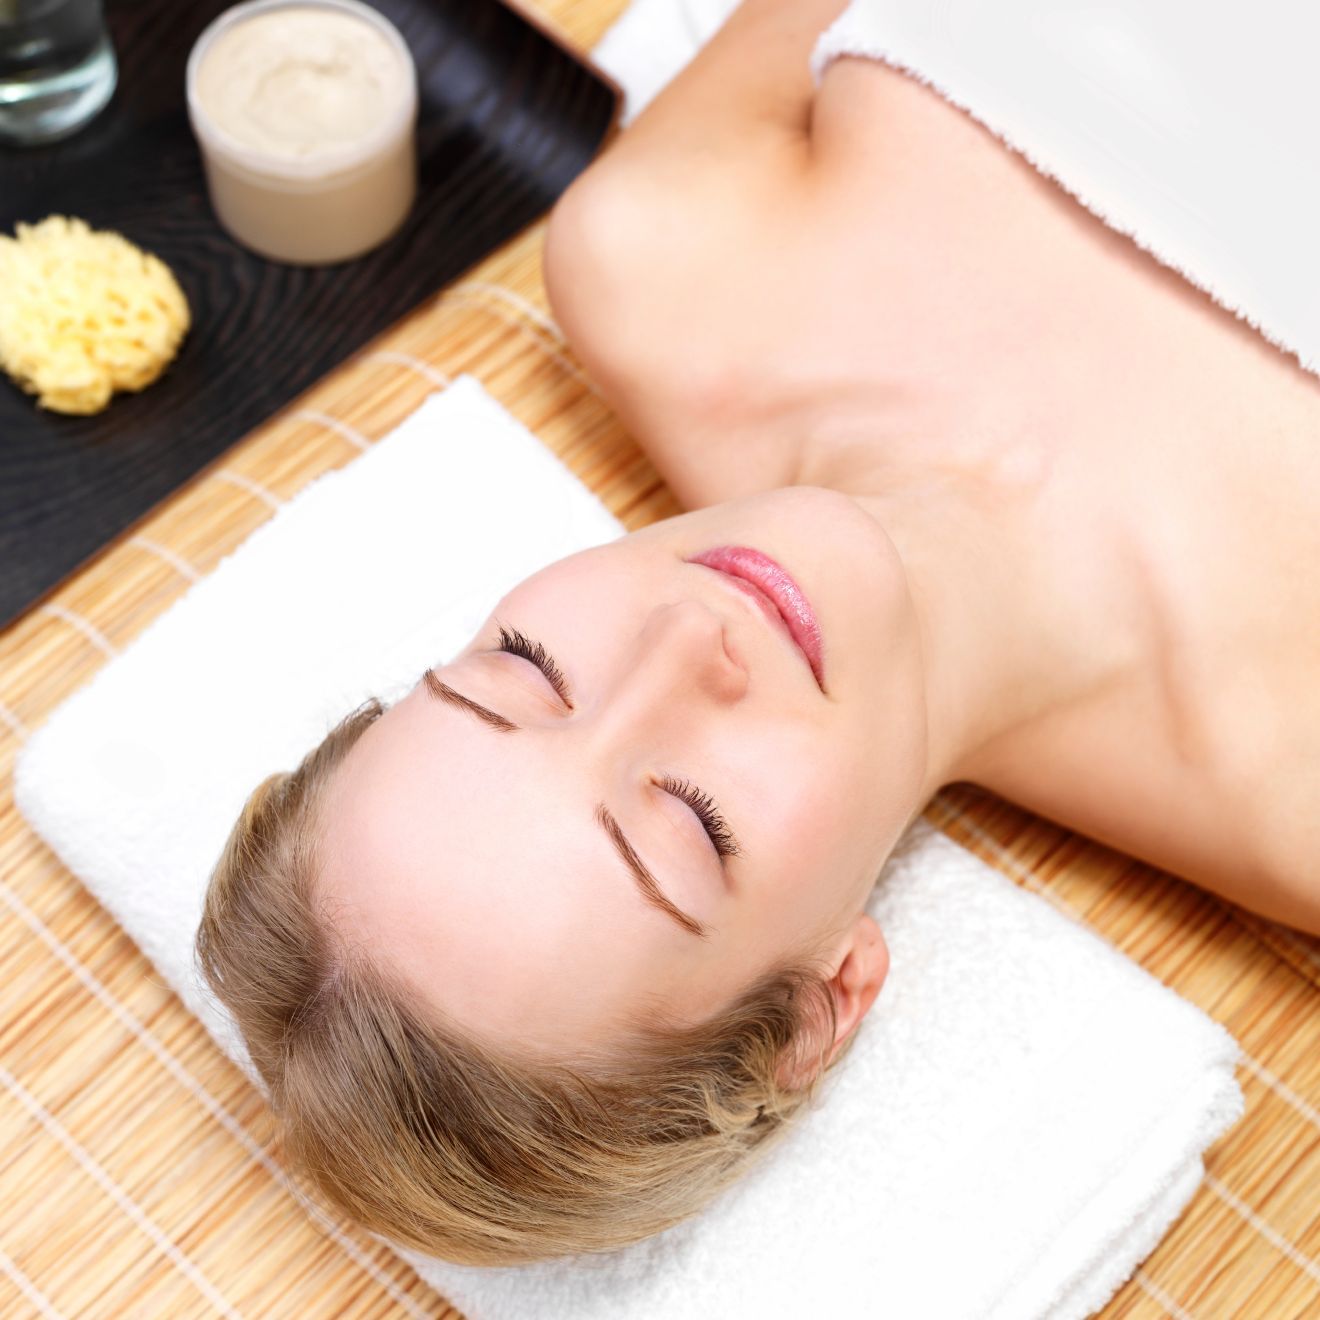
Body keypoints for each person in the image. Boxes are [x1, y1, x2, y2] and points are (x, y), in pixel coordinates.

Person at [195, 0, 1320, 1270]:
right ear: (822, 1005)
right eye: (692, 820)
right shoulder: (1293, 778)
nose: (687, 637)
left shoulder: (654, 262)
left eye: (525, 670)